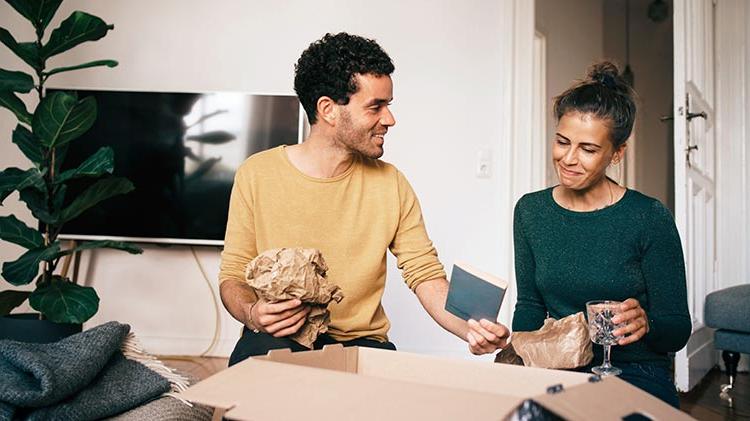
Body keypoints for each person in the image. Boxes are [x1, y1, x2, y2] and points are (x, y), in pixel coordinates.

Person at [219, 32, 509, 366]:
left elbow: (425, 274)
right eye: (375, 106)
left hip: (363, 347)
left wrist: (473, 328)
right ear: (328, 109)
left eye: (388, 105)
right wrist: (252, 313)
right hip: (279, 340)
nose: (389, 119)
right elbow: (234, 273)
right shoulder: (257, 173)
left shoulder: (391, 183)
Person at [511, 61, 691, 408]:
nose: (569, 158)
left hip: (635, 371)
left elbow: (677, 328)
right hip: (558, 367)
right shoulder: (531, 211)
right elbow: (530, 306)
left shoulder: (648, 216)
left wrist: (647, 323)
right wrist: (518, 358)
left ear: (617, 153)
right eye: (562, 141)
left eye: (588, 149)